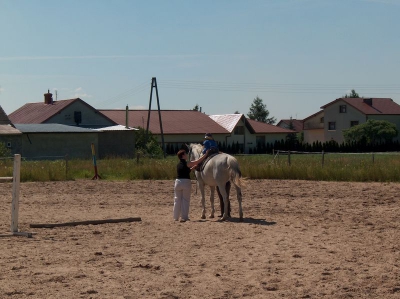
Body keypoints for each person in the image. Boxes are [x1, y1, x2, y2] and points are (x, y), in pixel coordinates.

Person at [173, 149, 199, 222]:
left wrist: (192, 168)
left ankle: (175, 217)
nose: (187, 155)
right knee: (185, 200)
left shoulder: (178, 165)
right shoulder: (187, 163)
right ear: (183, 156)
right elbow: (196, 162)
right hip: (186, 182)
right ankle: (184, 217)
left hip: (177, 182)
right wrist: (206, 155)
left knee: (177, 200)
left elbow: (186, 170)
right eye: (185, 154)